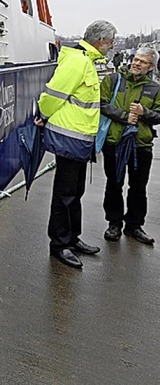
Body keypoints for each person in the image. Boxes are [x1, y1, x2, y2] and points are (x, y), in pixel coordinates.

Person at [37, 19, 117, 269]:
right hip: (69, 137)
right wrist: (44, 114)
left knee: (76, 192)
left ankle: (72, 238)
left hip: (81, 139)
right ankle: (59, 245)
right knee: (65, 194)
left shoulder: (86, 60)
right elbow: (54, 94)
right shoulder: (78, 61)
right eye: (111, 42)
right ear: (101, 41)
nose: (112, 46)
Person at [100, 45, 160, 245]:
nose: (136, 63)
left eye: (142, 62)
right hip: (115, 142)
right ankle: (114, 223)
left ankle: (134, 226)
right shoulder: (113, 80)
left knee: (138, 187)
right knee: (114, 183)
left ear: (151, 67)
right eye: (136, 59)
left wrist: (145, 112)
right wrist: (125, 116)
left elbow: (158, 115)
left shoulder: (155, 88)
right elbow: (101, 104)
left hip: (141, 145)